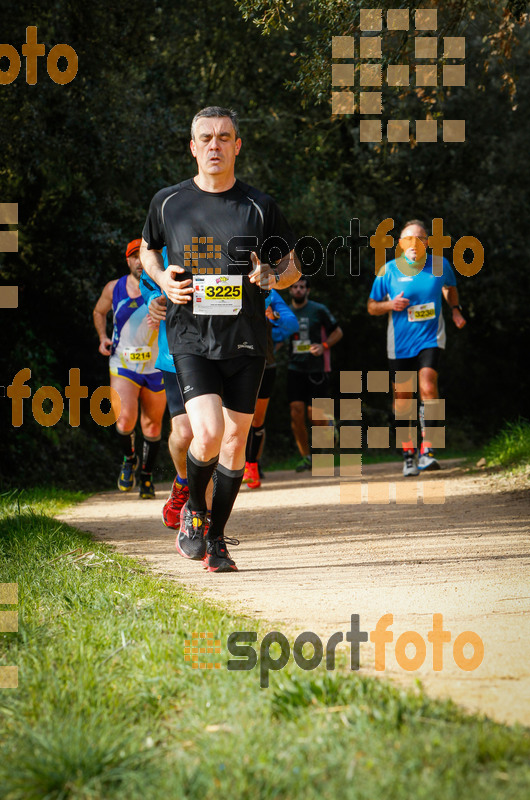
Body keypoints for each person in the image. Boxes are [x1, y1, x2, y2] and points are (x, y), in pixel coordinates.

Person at [140, 106, 301, 572]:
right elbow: (148, 247)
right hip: (190, 334)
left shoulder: (259, 206)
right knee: (207, 433)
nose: (215, 145)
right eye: (206, 138)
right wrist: (162, 279)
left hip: (247, 338)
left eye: (224, 137)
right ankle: (194, 507)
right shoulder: (168, 202)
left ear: (237, 146)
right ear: (193, 147)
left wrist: (272, 275)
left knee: (235, 443)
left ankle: (216, 539)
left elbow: (293, 265)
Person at [367, 219, 466, 476]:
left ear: (427, 242)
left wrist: (455, 309)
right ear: (400, 244)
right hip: (399, 343)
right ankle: (408, 453)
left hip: (430, 337)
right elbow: (371, 306)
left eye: (419, 239)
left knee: (428, 386)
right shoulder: (387, 271)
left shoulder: (440, 265)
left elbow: (450, 288)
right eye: (408, 239)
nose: (414, 244)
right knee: (403, 398)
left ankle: (428, 450)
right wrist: (390, 305)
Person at [93, 239, 166, 498]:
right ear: (128, 261)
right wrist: (103, 337)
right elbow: (99, 312)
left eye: (142, 255)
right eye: (133, 256)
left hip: (156, 366)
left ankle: (146, 476)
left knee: (153, 427)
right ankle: (128, 458)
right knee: (123, 420)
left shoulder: (163, 287)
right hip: (123, 363)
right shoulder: (114, 288)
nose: (138, 261)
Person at [139, 257, 193, 526]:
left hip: (221, 355)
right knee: (184, 434)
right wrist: (152, 299)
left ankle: (203, 517)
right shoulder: (168, 246)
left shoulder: (225, 238)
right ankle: (183, 483)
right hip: (175, 357)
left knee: (215, 436)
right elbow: (148, 281)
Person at [243, 289, 299, 489]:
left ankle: (251, 466)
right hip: (230, 363)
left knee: (257, 420)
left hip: (265, 364)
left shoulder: (269, 293)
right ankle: (226, 468)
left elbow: (292, 324)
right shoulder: (223, 283)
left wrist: (273, 315)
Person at [287, 277, 343, 472]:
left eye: (302, 286)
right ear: (290, 290)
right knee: (296, 414)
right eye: (295, 287)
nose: (298, 290)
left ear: (307, 290)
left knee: (315, 416)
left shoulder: (318, 309)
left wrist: (324, 346)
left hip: (317, 369)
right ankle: (306, 457)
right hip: (294, 368)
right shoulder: (285, 312)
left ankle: (325, 450)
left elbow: (338, 332)